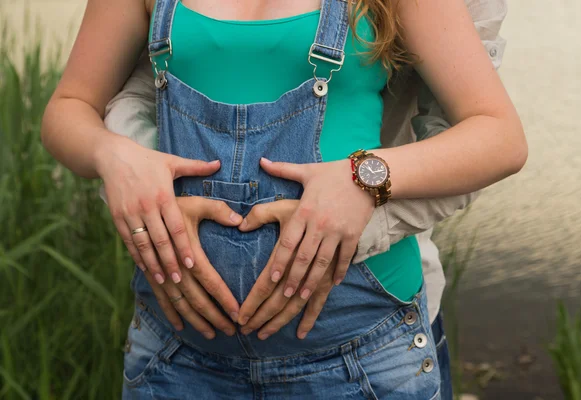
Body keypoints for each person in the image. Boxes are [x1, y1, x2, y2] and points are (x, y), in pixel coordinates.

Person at [41, 0, 523, 398]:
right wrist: (113, 155)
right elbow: (69, 109)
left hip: (362, 353)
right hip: (178, 357)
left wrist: (362, 178)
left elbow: (498, 135)